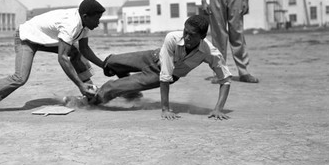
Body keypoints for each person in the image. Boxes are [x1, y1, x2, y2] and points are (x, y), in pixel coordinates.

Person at [0, 0, 107, 116]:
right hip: (26, 37)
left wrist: (104, 65)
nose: (98, 23)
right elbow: (62, 58)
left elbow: (85, 49)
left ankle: (90, 93)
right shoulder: (71, 25)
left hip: (43, 38)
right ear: (85, 17)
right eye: (97, 19)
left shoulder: (85, 25)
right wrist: (80, 85)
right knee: (20, 77)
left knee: (76, 52)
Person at [91, 15, 232, 120]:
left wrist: (218, 109)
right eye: (185, 32)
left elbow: (225, 80)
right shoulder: (172, 38)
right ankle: (131, 92)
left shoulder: (210, 52)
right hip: (152, 57)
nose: (187, 37)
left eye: (192, 35)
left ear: (202, 36)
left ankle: (89, 101)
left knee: (111, 88)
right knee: (111, 62)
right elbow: (164, 63)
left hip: (161, 75)